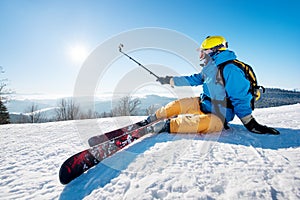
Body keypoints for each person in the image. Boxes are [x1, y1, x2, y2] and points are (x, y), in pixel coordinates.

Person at [143, 36, 280, 135]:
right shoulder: (211, 67)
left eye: (205, 51)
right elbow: (195, 79)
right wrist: (170, 80)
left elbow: (240, 97)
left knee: (198, 124)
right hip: (204, 103)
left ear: (216, 51)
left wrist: (250, 123)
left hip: (220, 115)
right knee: (177, 105)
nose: (202, 55)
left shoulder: (230, 69)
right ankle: (152, 119)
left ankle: (164, 126)